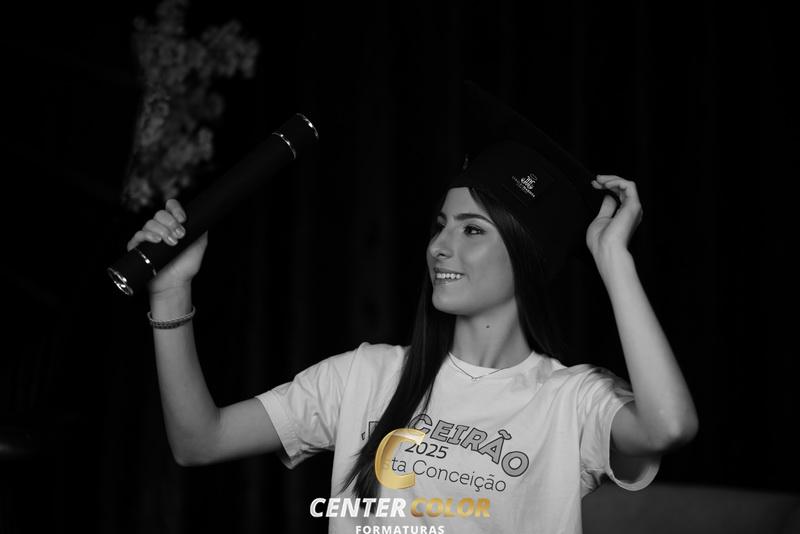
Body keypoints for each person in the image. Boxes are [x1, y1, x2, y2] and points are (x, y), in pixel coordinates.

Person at [127, 83, 698, 534]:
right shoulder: (365, 376)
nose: (440, 246)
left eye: (472, 229)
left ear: (527, 259)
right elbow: (199, 442)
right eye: (440, 226)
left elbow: (669, 426)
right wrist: (172, 291)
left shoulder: (572, 401)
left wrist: (612, 258)